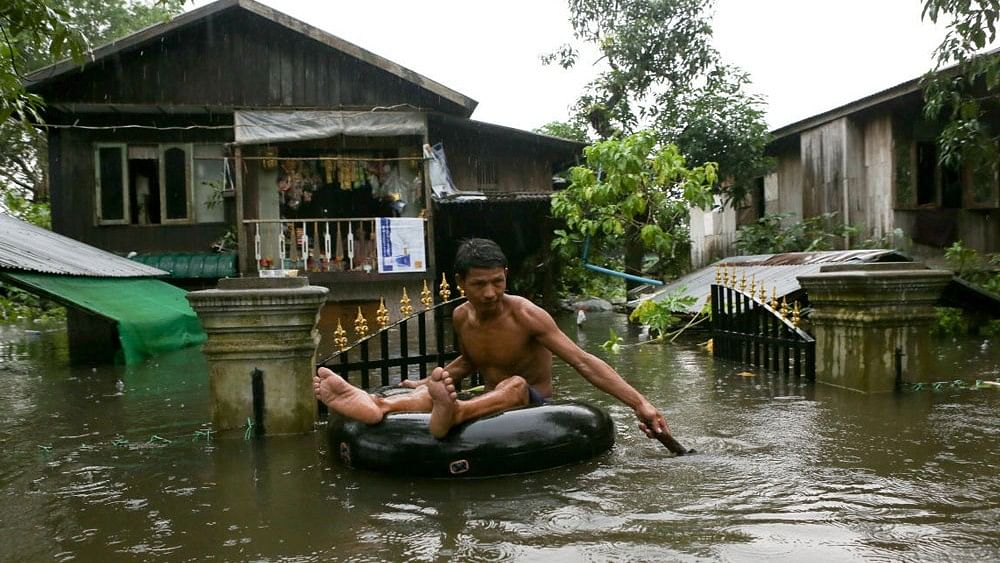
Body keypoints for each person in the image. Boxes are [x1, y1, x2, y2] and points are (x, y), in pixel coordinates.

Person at [313, 238, 670, 440]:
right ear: (461, 283)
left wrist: (639, 403)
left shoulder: (526, 314)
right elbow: (470, 361)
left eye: (497, 282)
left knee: (513, 383)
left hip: (532, 404)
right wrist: (423, 385)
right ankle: (378, 405)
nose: (489, 293)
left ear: (506, 277)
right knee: (432, 390)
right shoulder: (460, 316)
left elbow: (581, 360)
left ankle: (453, 413)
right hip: (490, 399)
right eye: (480, 284)